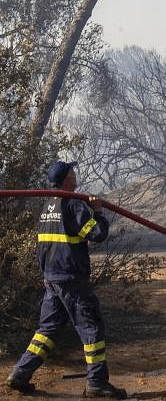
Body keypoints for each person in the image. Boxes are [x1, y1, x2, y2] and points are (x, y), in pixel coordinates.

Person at [5, 160, 127, 398]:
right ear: (66, 179)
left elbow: (43, 246)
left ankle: (20, 373)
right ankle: (97, 383)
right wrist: (99, 211)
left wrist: (47, 274)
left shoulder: (48, 205)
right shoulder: (74, 204)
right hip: (72, 280)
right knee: (92, 328)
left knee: (47, 330)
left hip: (52, 279)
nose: (75, 174)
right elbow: (98, 234)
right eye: (72, 172)